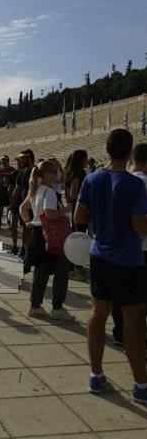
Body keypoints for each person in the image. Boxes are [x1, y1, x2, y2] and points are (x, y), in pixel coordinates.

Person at [75, 129, 147, 403]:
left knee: (98, 313)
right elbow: (139, 226)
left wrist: (103, 219)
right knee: (133, 321)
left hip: (99, 254)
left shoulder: (92, 178)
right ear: (129, 152)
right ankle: (140, 383)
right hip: (127, 259)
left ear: (107, 150)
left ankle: (95, 374)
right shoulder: (133, 184)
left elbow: (80, 216)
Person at [20, 159, 74, 322]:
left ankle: (35, 305)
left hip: (37, 233)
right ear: (46, 174)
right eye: (53, 172)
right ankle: (57, 308)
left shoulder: (36, 190)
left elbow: (23, 208)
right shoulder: (49, 192)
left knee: (41, 273)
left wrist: (28, 221)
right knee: (61, 271)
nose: (56, 175)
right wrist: (65, 210)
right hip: (51, 234)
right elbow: (49, 214)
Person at [111, 142, 147, 346]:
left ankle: (120, 333)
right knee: (139, 297)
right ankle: (136, 335)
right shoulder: (141, 183)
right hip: (142, 247)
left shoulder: (121, 180)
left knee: (120, 293)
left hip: (118, 246)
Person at [12, 149, 35, 258]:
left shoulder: (27, 171)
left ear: (28, 158)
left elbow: (17, 190)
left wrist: (12, 202)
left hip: (28, 204)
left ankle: (26, 250)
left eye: (23, 158)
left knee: (27, 228)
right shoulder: (36, 170)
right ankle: (25, 249)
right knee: (27, 228)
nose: (21, 160)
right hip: (29, 204)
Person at [0, 155, 15, 224]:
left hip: (10, 190)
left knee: (9, 206)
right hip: (1, 190)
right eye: (2, 160)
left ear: (8, 161)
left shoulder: (12, 169)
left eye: (5, 160)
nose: (3, 162)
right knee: (1, 206)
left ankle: (9, 220)